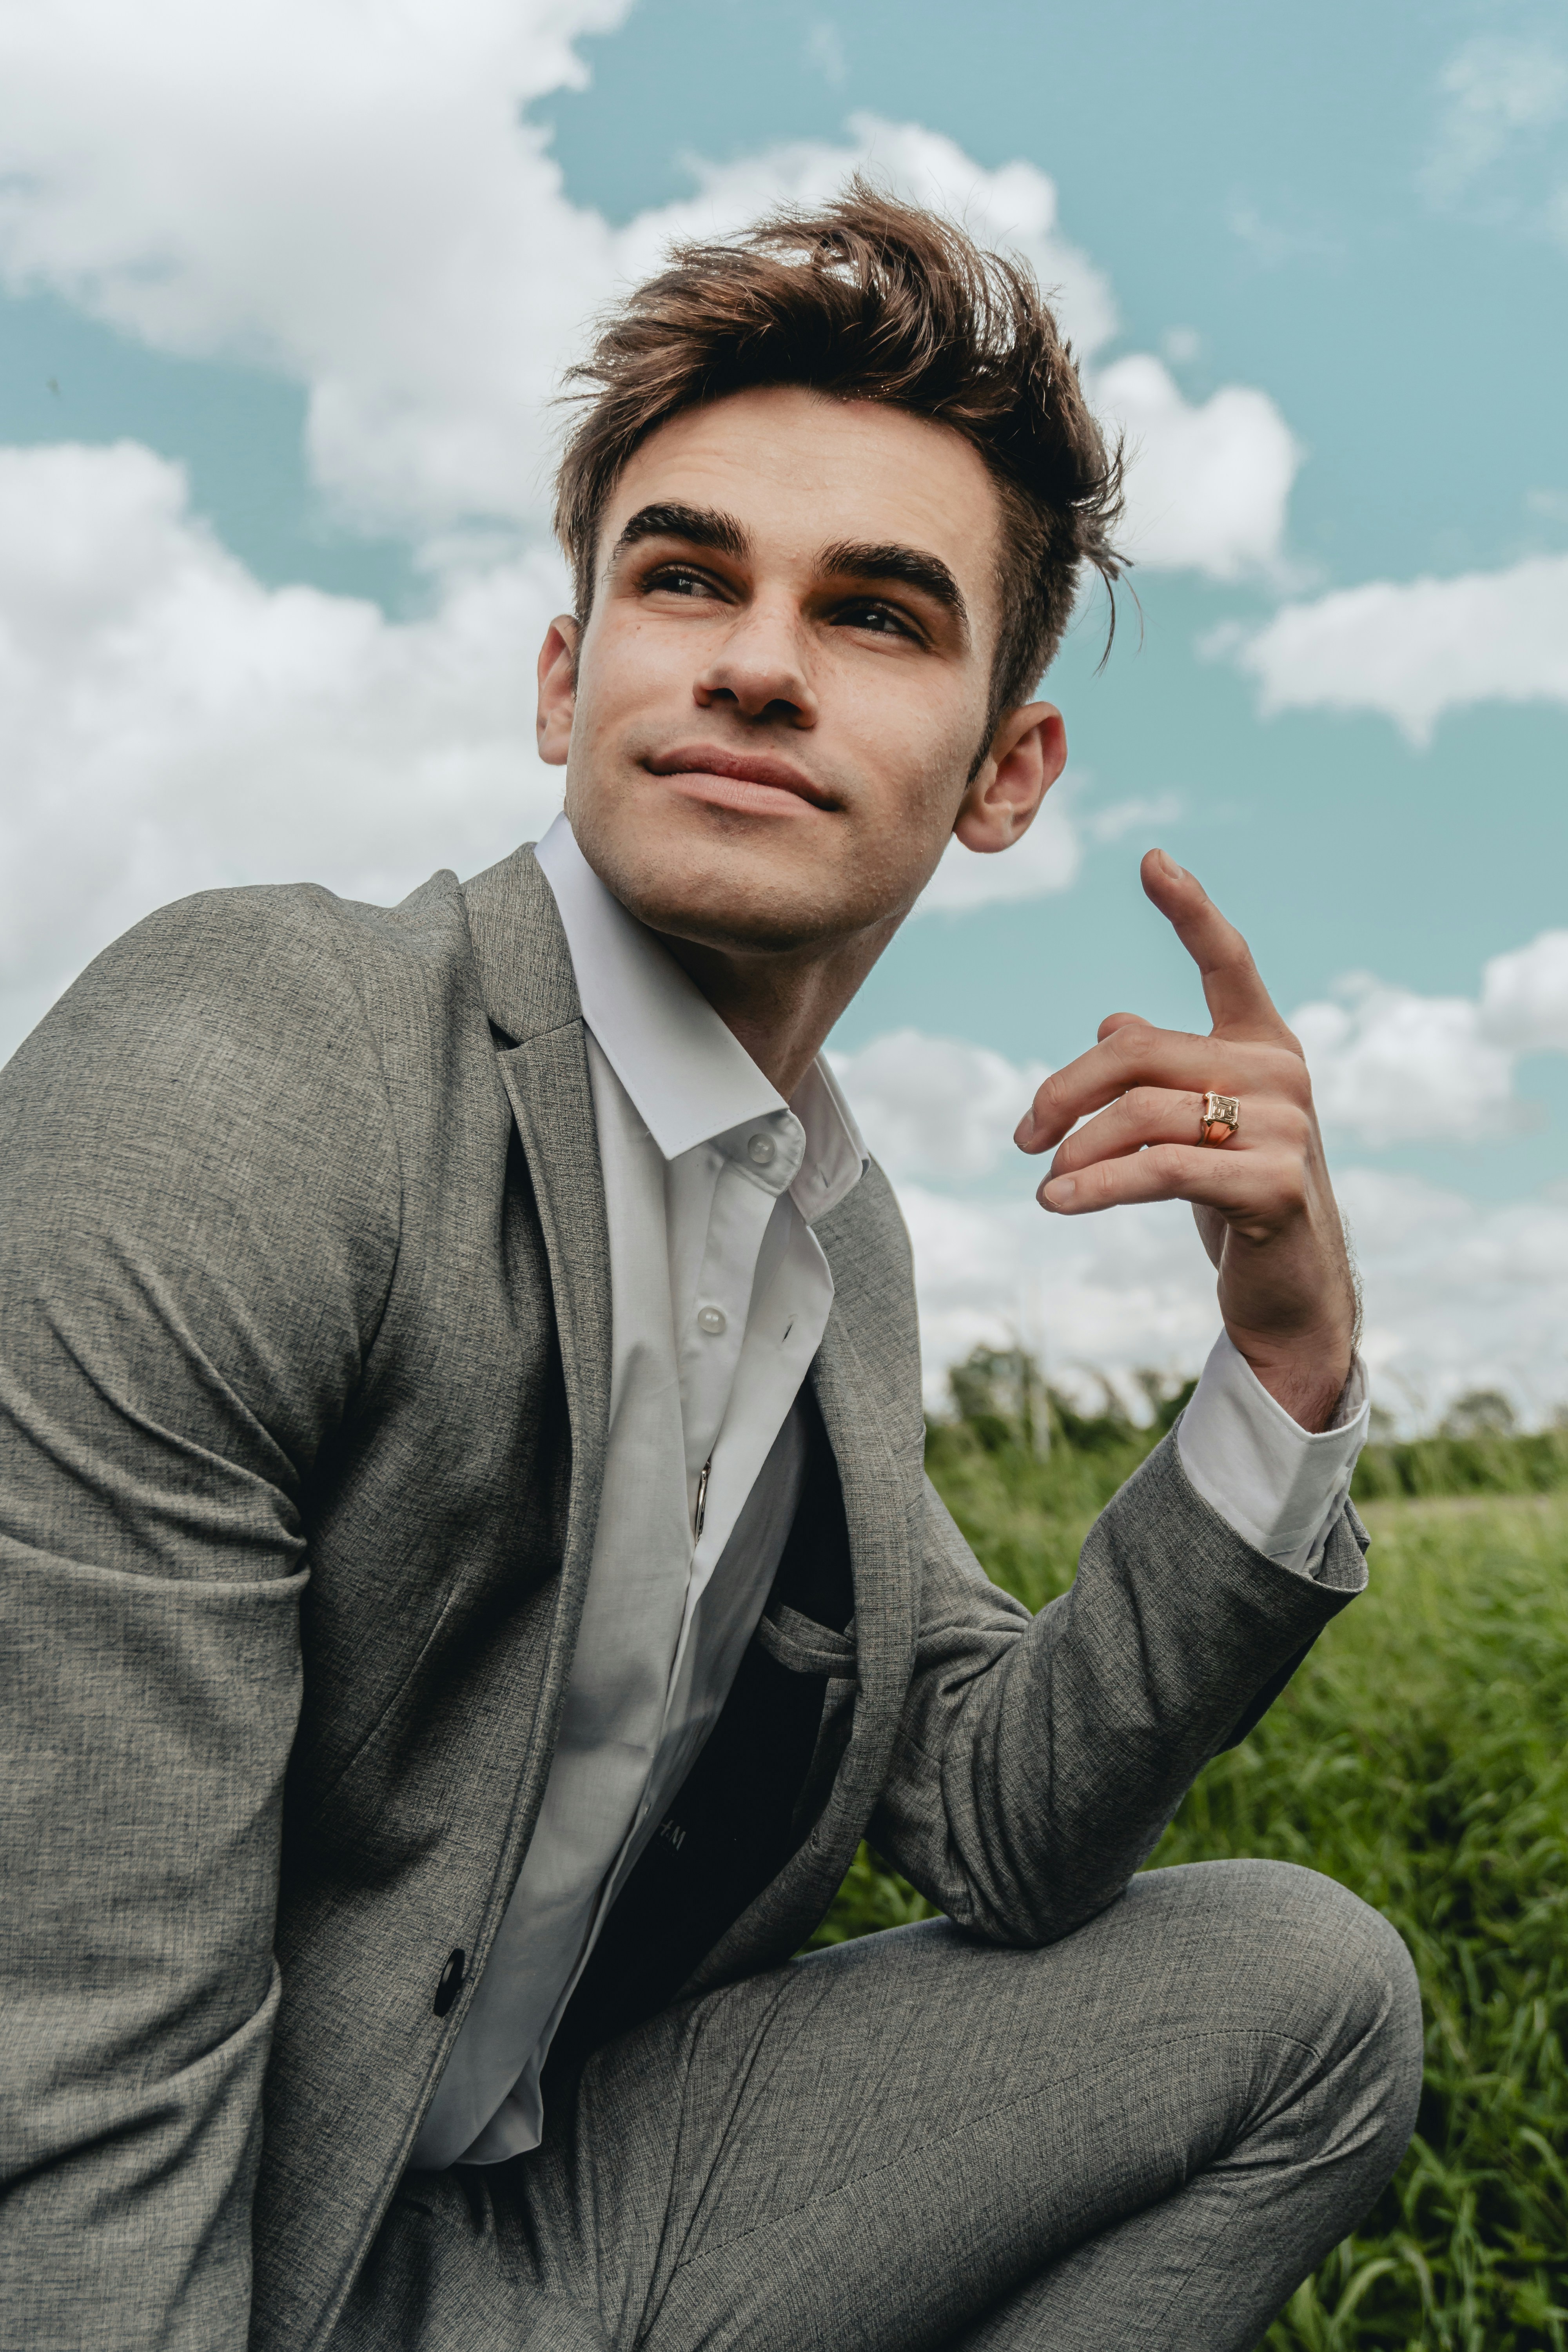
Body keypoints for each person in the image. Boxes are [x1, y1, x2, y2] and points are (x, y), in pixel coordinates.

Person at [0, 189, 1421, 2352]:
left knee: (1307, 1997)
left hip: (528, 2236)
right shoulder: (258, 1058)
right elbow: (65, 2037)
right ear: (571, 672)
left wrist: (1287, 1356)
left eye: (875, 614)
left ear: (1003, 775)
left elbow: (1003, 1815)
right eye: (686, 577)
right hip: (207, 2238)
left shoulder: (827, 1227)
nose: (755, 657)